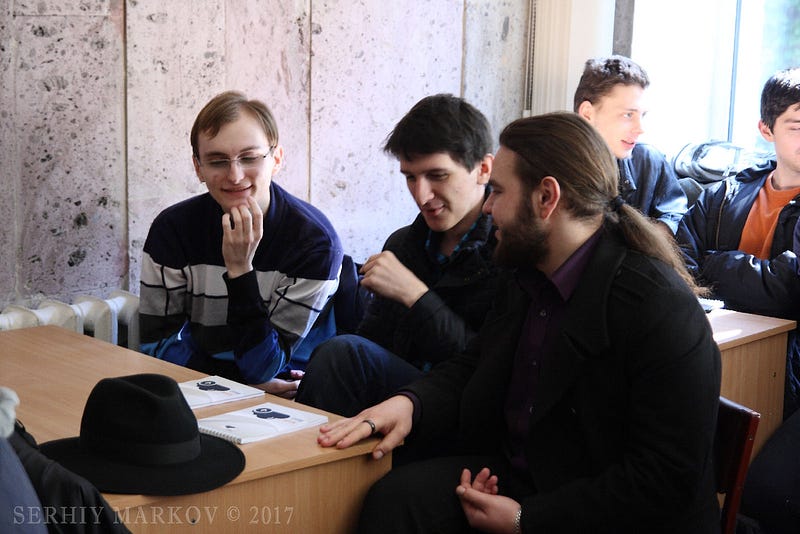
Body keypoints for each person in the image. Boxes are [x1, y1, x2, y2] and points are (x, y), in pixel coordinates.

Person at [318, 112, 722, 533]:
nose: (487, 207)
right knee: (395, 500)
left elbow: (664, 480)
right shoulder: (527, 274)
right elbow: (474, 365)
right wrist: (409, 405)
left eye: (496, 191)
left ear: (546, 197)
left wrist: (526, 519)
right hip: (533, 478)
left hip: (601, 511)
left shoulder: (658, 306)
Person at [295, 94, 499, 419]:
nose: (422, 195)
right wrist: (322, 376)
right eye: (410, 177)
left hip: (465, 409)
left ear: (483, 169)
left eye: (438, 175)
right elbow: (372, 342)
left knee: (343, 354)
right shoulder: (405, 243)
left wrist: (416, 296)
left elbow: (488, 368)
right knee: (334, 355)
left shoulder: (507, 247)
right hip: (401, 400)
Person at [139, 91, 343, 398]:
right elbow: (156, 346)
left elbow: (263, 366)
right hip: (201, 388)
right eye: (217, 161)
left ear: (276, 159)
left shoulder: (315, 243)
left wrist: (240, 270)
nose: (235, 176)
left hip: (293, 393)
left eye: (249, 158)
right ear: (198, 167)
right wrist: (233, 385)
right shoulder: (172, 230)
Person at [676, 67, 800, 417]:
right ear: (766, 129)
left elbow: (789, 291)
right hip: (712, 348)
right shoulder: (723, 195)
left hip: (786, 370)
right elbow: (679, 269)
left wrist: (716, 262)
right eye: (797, 127)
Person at [575, 55, 688, 234]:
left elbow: (676, 217)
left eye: (642, 115)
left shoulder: (648, 160)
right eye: (628, 115)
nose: (640, 129)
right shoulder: (551, 167)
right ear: (588, 114)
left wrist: (654, 235)